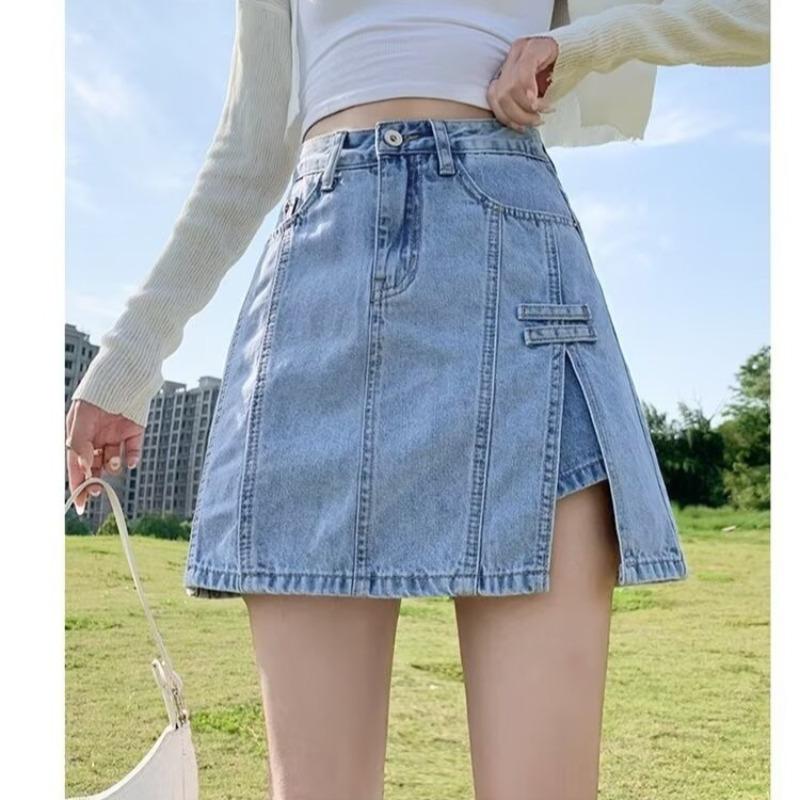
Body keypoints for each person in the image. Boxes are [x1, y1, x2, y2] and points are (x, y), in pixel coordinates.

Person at [65, 1, 770, 797]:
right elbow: (250, 150)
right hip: (319, 278)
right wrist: (126, 361)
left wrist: (582, 46)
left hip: (511, 267)